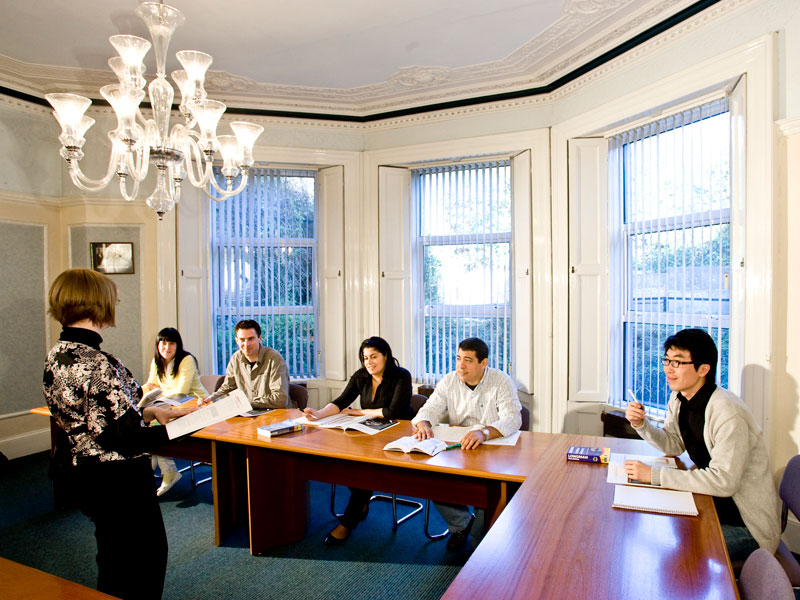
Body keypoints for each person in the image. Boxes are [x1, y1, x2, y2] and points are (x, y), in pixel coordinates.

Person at [42, 268, 194, 600]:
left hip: (84, 471)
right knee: (143, 562)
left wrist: (150, 412)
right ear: (99, 303)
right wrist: (184, 428)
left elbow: (99, 416)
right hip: (117, 477)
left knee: (113, 557)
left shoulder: (59, 354)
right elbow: (122, 437)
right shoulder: (96, 362)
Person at [624, 328, 781, 561]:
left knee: (673, 548)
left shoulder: (727, 412)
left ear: (703, 369)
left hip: (746, 527)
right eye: (666, 360)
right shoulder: (680, 398)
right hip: (710, 504)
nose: (667, 368)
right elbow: (674, 443)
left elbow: (723, 482)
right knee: (651, 525)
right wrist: (642, 425)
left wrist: (654, 475)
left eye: (677, 362)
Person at [412, 337, 522, 551]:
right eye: (458, 358)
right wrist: (424, 423)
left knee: (488, 489)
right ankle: (460, 525)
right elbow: (429, 409)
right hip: (459, 448)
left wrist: (484, 432)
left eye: (468, 360)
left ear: (484, 363)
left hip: (493, 447)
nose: (461, 365)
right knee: (431, 476)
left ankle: (479, 538)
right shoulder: (450, 380)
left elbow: (513, 418)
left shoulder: (501, 380)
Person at [304, 336, 413, 545]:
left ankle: (347, 523)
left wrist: (359, 412)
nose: (369, 362)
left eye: (374, 357)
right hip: (370, 434)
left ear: (386, 356)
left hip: (398, 435)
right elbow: (341, 401)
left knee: (364, 470)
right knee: (343, 460)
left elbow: (394, 411)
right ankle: (361, 503)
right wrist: (318, 414)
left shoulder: (401, 376)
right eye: (365, 358)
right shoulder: (361, 376)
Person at [142, 327, 208, 496]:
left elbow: (181, 391)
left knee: (154, 429)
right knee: (151, 428)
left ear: (178, 345)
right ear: (158, 345)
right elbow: (150, 386)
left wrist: (159, 392)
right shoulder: (156, 361)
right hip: (169, 409)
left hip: (196, 407)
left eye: (171, 343)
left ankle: (164, 471)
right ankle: (168, 471)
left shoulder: (186, 359)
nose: (167, 347)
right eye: (163, 343)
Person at [205, 319, 289, 409]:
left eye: (251, 339)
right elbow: (228, 387)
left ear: (259, 338)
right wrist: (210, 398)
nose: (246, 344)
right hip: (247, 413)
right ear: (237, 340)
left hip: (273, 414)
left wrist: (246, 403)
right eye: (242, 340)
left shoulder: (274, 358)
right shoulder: (235, 358)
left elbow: (280, 400)